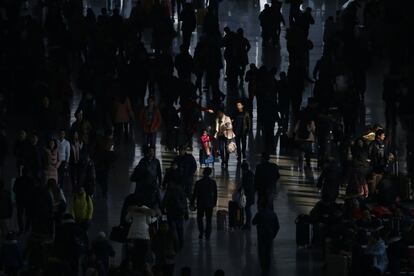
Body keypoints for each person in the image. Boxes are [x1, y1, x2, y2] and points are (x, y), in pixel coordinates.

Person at [252, 199, 280, 276]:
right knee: (268, 254)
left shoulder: (259, 214)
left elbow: (253, 222)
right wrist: (273, 235)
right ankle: (267, 269)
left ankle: (263, 270)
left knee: (261, 254)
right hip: (270, 236)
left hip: (261, 237)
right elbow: (277, 226)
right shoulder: (273, 214)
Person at [125, 205, 155, 273]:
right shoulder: (146, 209)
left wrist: (132, 221)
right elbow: (149, 221)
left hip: (133, 233)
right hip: (144, 234)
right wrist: (154, 219)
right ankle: (142, 269)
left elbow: (127, 219)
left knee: (133, 253)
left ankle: (134, 269)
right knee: (143, 254)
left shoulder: (132, 209)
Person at [190, 168, 217, 240]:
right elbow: (215, 194)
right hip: (209, 203)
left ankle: (201, 232)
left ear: (203, 173)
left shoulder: (198, 182)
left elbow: (195, 194)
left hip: (200, 203)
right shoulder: (213, 182)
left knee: (200, 218)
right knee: (208, 219)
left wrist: (192, 202)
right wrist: (214, 202)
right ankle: (208, 234)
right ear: (210, 173)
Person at [162, 178, 188, 250]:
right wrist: (186, 212)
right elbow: (184, 202)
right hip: (180, 212)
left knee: (172, 229)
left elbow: (164, 200)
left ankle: (175, 245)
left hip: (170, 212)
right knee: (180, 229)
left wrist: (163, 210)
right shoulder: (181, 190)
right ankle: (181, 244)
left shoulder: (169, 190)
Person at [368, 129, 393, 194]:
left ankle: (378, 195)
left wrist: (388, 159)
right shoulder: (373, 143)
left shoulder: (383, 144)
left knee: (379, 181)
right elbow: (369, 154)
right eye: (383, 135)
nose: (384, 136)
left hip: (381, 166)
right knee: (373, 182)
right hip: (374, 166)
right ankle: (372, 195)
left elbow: (385, 154)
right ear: (379, 136)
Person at [13, 167, 35, 234]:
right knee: (28, 215)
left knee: (19, 215)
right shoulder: (30, 180)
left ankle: (21, 229)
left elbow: (14, 189)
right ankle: (27, 229)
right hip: (28, 200)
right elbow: (33, 190)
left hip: (20, 199)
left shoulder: (18, 180)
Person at [240, 161, 255, 230]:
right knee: (247, 209)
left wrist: (240, 191)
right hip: (250, 194)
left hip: (248, 195)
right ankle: (247, 223)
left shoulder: (246, 175)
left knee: (247, 209)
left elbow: (245, 185)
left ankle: (248, 224)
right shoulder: (251, 174)